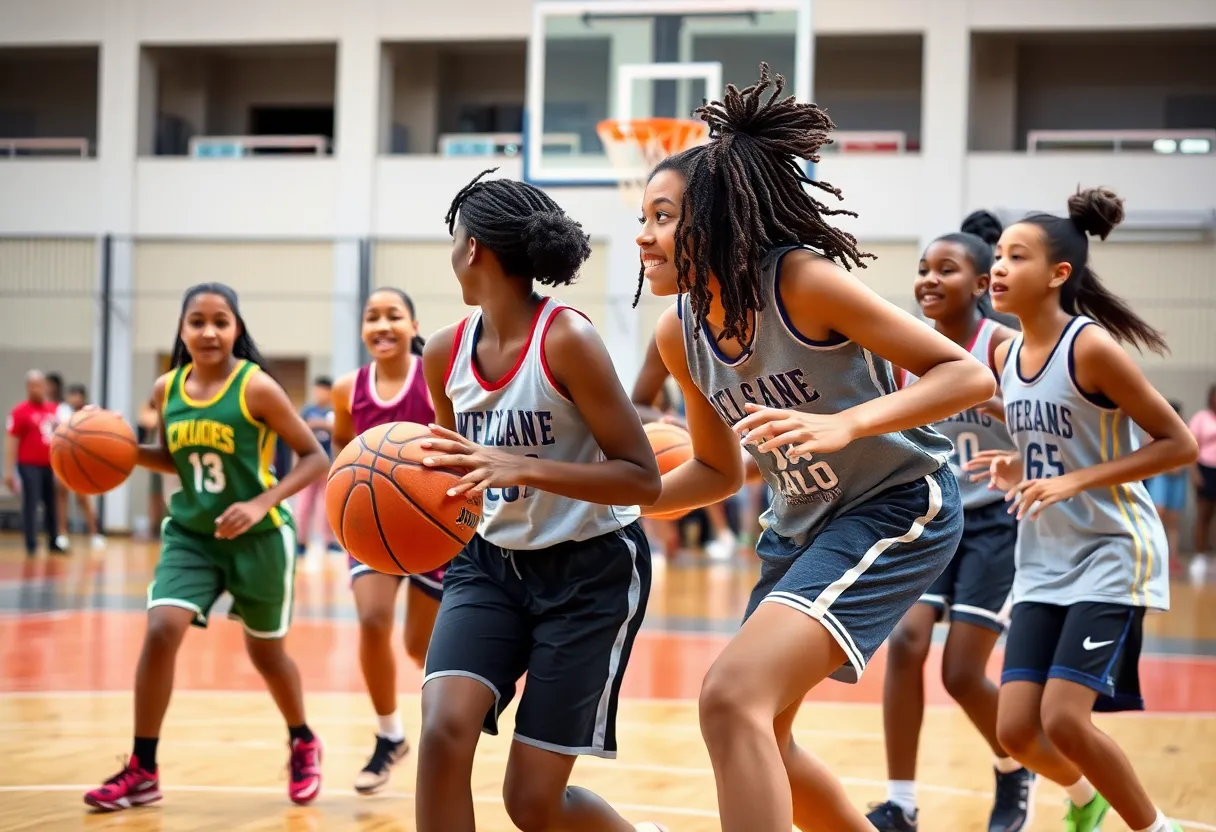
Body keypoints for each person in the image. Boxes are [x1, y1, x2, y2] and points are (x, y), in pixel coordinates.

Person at [633, 64, 996, 832]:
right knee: (763, 731)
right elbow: (711, 472)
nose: (643, 234)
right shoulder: (678, 335)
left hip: (897, 506)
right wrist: (603, 493)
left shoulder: (801, 281)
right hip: (797, 530)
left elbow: (969, 376)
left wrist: (848, 424)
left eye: (662, 216)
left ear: (719, 215)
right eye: (642, 217)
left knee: (731, 697)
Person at [414, 169, 667, 832]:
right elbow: (452, 473)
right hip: (489, 564)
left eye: (455, 238)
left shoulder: (566, 341)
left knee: (530, 804)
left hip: (589, 571)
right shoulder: (443, 353)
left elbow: (642, 477)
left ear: (471, 249)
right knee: (442, 733)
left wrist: (521, 467)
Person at [965, 187, 1197, 832]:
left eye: (1016, 256)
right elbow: (1043, 431)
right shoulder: (1005, 351)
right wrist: (1023, 464)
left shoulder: (1090, 348)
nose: (1000, 269)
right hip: (1044, 556)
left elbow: (1175, 443)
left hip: (1111, 548)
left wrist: (1076, 481)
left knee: (1064, 719)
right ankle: (1082, 801)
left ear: (1058, 274)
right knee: (1015, 729)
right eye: (998, 257)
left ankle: (1156, 827)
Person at [83, 282, 329, 812]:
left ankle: (302, 739)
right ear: (182, 329)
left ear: (237, 329)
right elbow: (179, 459)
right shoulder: (165, 389)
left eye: (221, 321)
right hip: (193, 535)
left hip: (259, 538)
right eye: (197, 321)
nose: (209, 331)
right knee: (160, 628)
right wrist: (117, 453)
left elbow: (314, 458)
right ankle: (142, 768)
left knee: (266, 654)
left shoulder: (256, 387)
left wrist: (263, 503)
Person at [866, 230, 1028, 832]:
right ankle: (901, 802)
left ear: (982, 285)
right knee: (906, 644)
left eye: (947, 269)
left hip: (997, 521)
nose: (930, 279)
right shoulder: (906, 347)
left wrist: (991, 404)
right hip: (931, 511)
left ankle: (1014, 769)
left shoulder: (1004, 347)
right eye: (923, 268)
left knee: (961, 673)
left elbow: (1052, 430)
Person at [330, 287, 442, 795]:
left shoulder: (434, 377)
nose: (382, 325)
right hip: (370, 525)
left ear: (413, 325)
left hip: (430, 525)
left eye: (393, 315)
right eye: (371, 316)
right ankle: (389, 734)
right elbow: (340, 448)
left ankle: (444, 717)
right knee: (373, 619)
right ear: (361, 329)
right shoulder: (346, 389)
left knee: (420, 647)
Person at [4, 370, 63, 557]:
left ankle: (54, 540)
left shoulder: (53, 410)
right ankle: (31, 543)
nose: (38, 388)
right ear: (28, 387)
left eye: (41, 384)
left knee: (51, 503)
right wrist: (8, 470)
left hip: (50, 465)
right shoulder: (20, 411)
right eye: (34, 385)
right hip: (28, 465)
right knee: (31, 502)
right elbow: (11, 440)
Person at [57, 383, 104, 549]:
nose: (75, 398)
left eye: (78, 395)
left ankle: (95, 533)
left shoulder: (90, 412)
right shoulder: (61, 411)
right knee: (61, 497)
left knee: (84, 499)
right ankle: (62, 533)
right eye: (72, 394)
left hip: (81, 461)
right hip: (63, 459)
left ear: (83, 397)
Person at [294, 376, 336, 556]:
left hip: (329, 465)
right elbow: (297, 431)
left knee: (327, 506)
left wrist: (323, 425)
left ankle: (329, 541)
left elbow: (340, 432)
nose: (319, 393)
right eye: (317, 389)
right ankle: (301, 541)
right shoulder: (307, 410)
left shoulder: (334, 411)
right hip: (309, 465)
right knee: (304, 505)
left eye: (323, 390)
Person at [1144, 400, 1189, 570]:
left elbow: (1189, 454)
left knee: (1173, 521)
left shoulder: (1184, 431)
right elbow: (1147, 449)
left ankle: (1173, 558)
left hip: (1177, 480)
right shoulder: (1155, 430)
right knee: (1157, 516)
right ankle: (1154, 557)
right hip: (1160, 478)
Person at [1188, 384, 1216, 577]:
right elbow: (1191, 448)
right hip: (1205, 469)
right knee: (1204, 515)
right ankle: (1199, 556)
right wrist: (1195, 474)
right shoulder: (1201, 418)